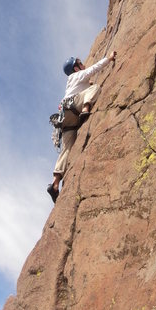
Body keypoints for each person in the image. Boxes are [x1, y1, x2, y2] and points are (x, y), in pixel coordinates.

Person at [47, 50, 117, 202]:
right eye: (79, 62)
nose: (82, 63)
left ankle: (55, 183)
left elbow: (78, 88)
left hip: (65, 120)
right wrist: (109, 59)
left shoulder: (71, 81)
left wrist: (86, 85)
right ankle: (86, 107)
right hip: (75, 108)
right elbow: (94, 69)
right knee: (95, 88)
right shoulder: (78, 75)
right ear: (76, 68)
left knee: (66, 149)